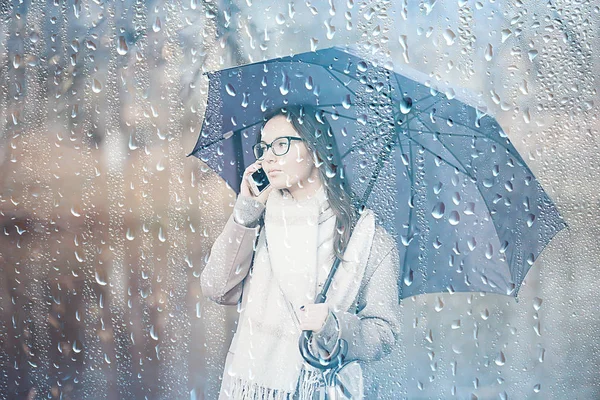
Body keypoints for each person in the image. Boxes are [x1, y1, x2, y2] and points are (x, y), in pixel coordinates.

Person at [201, 104, 401, 399]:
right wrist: (245, 210)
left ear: (316, 150)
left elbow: (384, 332)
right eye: (264, 147)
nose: (268, 157)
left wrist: (335, 326)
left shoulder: (367, 237)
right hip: (254, 388)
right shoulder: (260, 216)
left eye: (281, 145)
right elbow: (217, 288)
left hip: (324, 390)